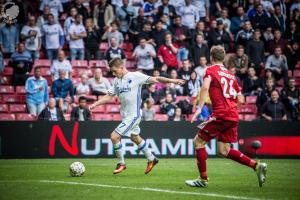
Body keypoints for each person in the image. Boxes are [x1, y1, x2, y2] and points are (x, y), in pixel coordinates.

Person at [185, 45, 267, 188]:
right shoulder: (231, 74)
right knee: (224, 150)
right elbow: (241, 99)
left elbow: (204, 87)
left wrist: (199, 108)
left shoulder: (210, 70)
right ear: (223, 58)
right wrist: (230, 108)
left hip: (221, 114)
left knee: (198, 142)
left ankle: (203, 179)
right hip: (233, 116)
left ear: (211, 57)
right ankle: (256, 166)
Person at [89, 58, 185, 174]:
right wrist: (95, 104)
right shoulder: (116, 80)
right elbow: (109, 96)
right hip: (125, 115)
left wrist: (173, 81)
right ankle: (151, 158)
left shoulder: (136, 76)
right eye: (112, 72)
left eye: (115, 71)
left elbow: (156, 78)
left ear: (121, 67)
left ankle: (121, 163)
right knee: (134, 137)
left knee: (114, 137)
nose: (114, 73)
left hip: (134, 115)